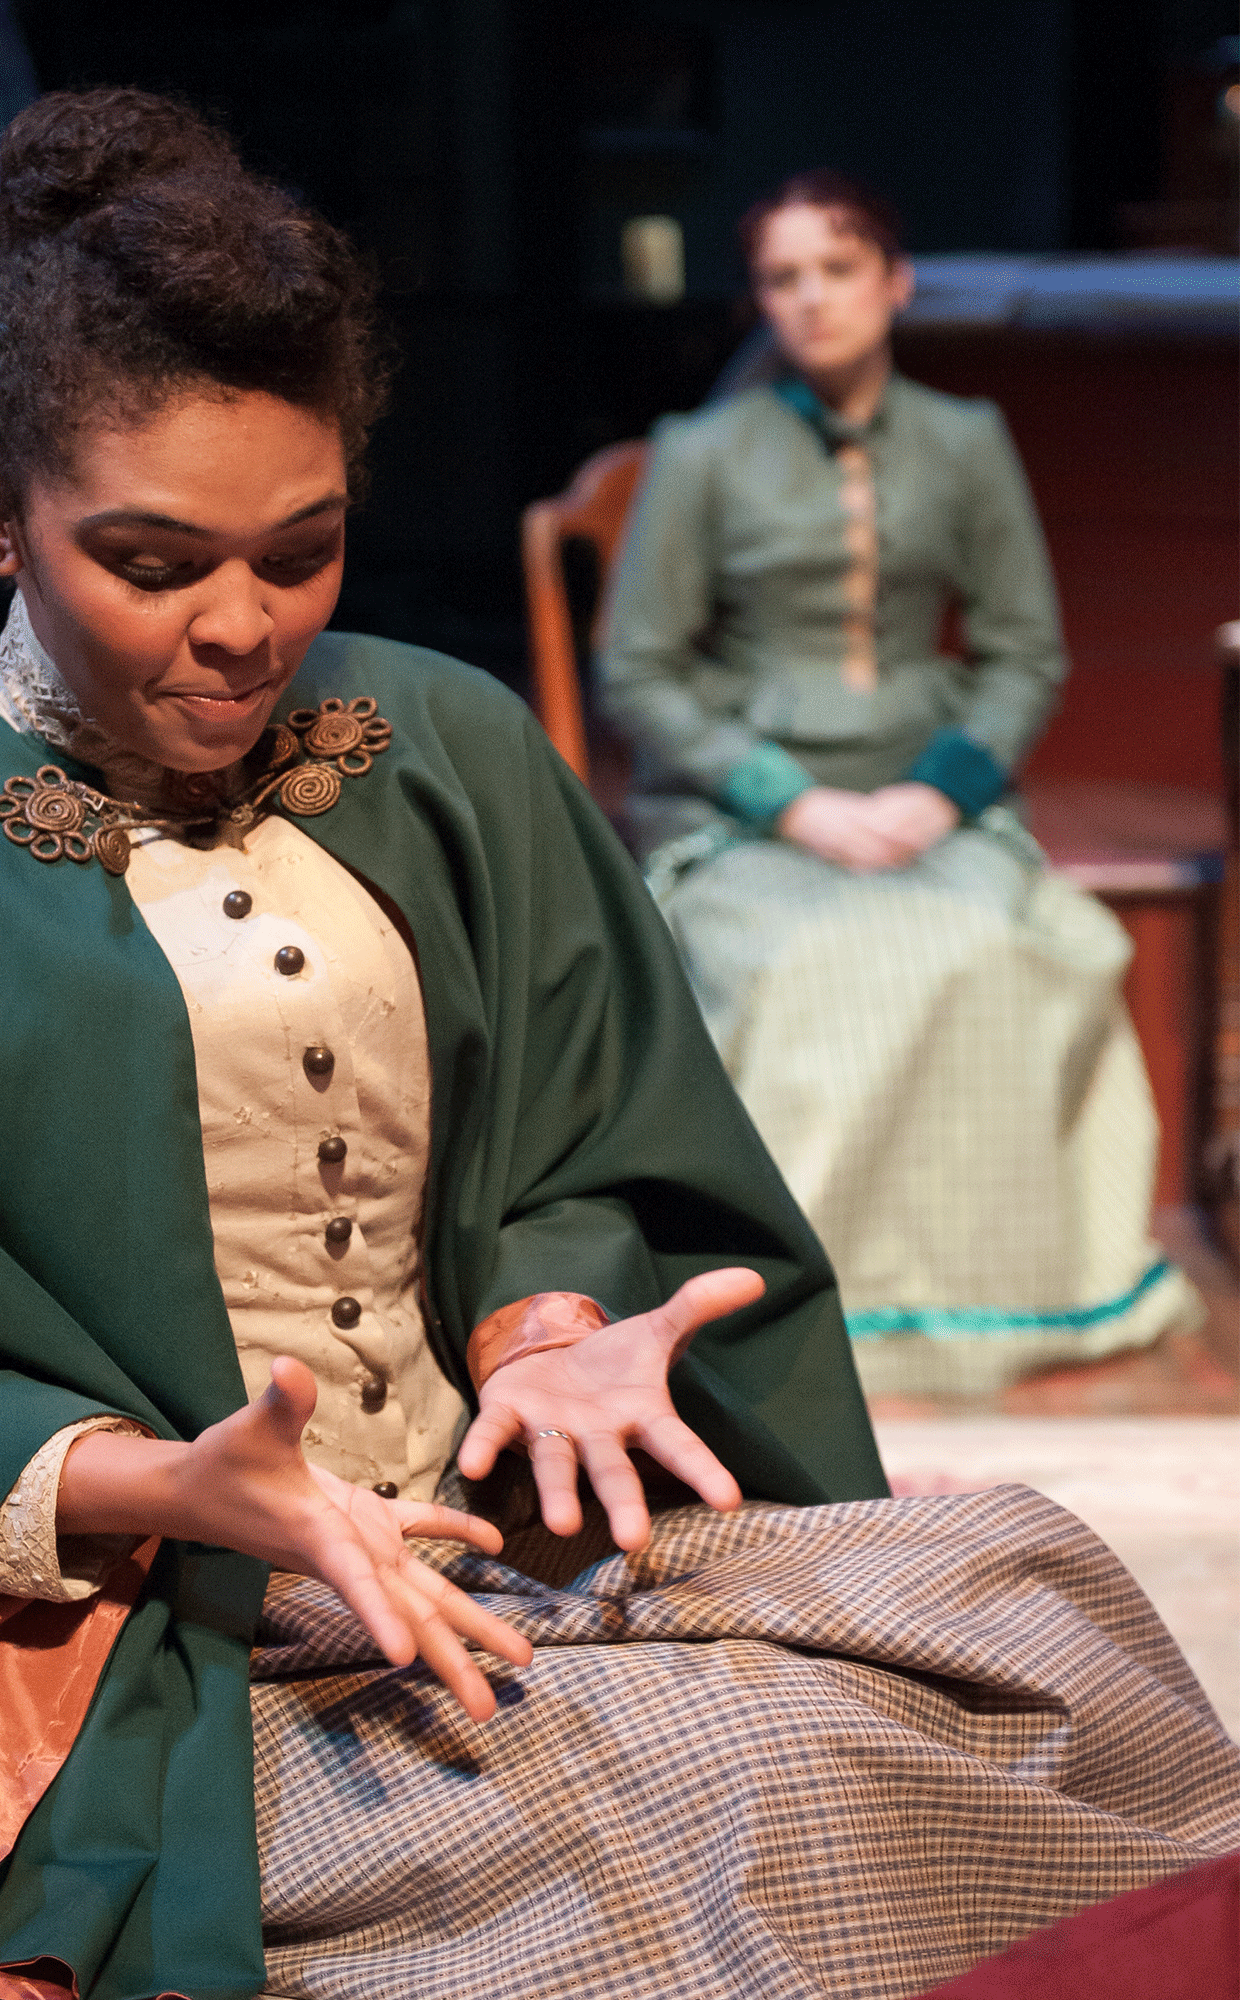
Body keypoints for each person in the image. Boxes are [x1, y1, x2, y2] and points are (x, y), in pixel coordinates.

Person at [0, 98, 1234, 2000]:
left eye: (304, 549)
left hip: (487, 1527)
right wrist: (170, 1487)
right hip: (80, 1620)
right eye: (156, 560)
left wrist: (556, 1325)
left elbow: (589, 1140)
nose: (243, 628)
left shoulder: (442, 744)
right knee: (735, 1815)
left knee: (1040, 1609)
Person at [598, 171, 1202, 1403]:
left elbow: (1023, 650)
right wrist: (791, 800)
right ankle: (797, 1311)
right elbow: (639, 667)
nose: (809, 300)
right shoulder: (704, 451)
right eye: (781, 276)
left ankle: (1006, 1298)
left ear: (893, 281)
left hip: (925, 798)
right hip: (744, 811)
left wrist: (937, 793)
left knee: (1005, 948)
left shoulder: (964, 439)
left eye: (836, 269)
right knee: (795, 965)